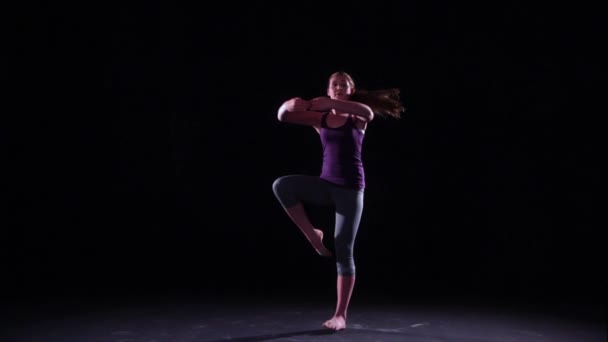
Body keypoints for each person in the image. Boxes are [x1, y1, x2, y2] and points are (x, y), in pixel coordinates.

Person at [272, 71, 404, 331]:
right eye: (335, 84)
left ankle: (340, 316)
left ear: (350, 90)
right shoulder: (321, 119)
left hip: (351, 191)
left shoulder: (356, 117)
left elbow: (367, 111)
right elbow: (283, 116)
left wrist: (330, 103)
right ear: (329, 89)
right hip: (325, 186)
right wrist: (287, 104)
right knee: (282, 185)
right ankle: (313, 235)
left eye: (344, 84)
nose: (340, 87)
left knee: (344, 250)